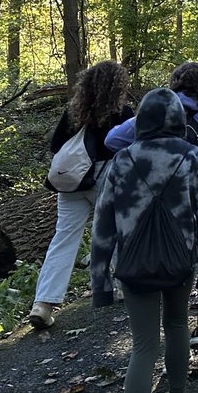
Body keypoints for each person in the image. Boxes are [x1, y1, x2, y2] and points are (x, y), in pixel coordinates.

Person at [91, 87, 198, 393]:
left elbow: (102, 224)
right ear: (179, 121)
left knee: (143, 345)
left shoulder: (122, 159)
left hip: (132, 266)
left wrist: (100, 283)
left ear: (141, 121)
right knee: (178, 325)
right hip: (180, 262)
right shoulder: (192, 157)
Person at [107, 62, 198, 352]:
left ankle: (166, 320)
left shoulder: (152, 116)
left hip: (156, 201)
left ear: (173, 85)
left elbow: (112, 140)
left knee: (166, 250)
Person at [29, 62, 134, 330]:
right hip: (107, 177)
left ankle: (43, 303)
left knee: (63, 238)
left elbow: (55, 146)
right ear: (117, 85)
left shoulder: (74, 111)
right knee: (116, 229)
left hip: (72, 182)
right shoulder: (123, 113)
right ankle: (121, 286)